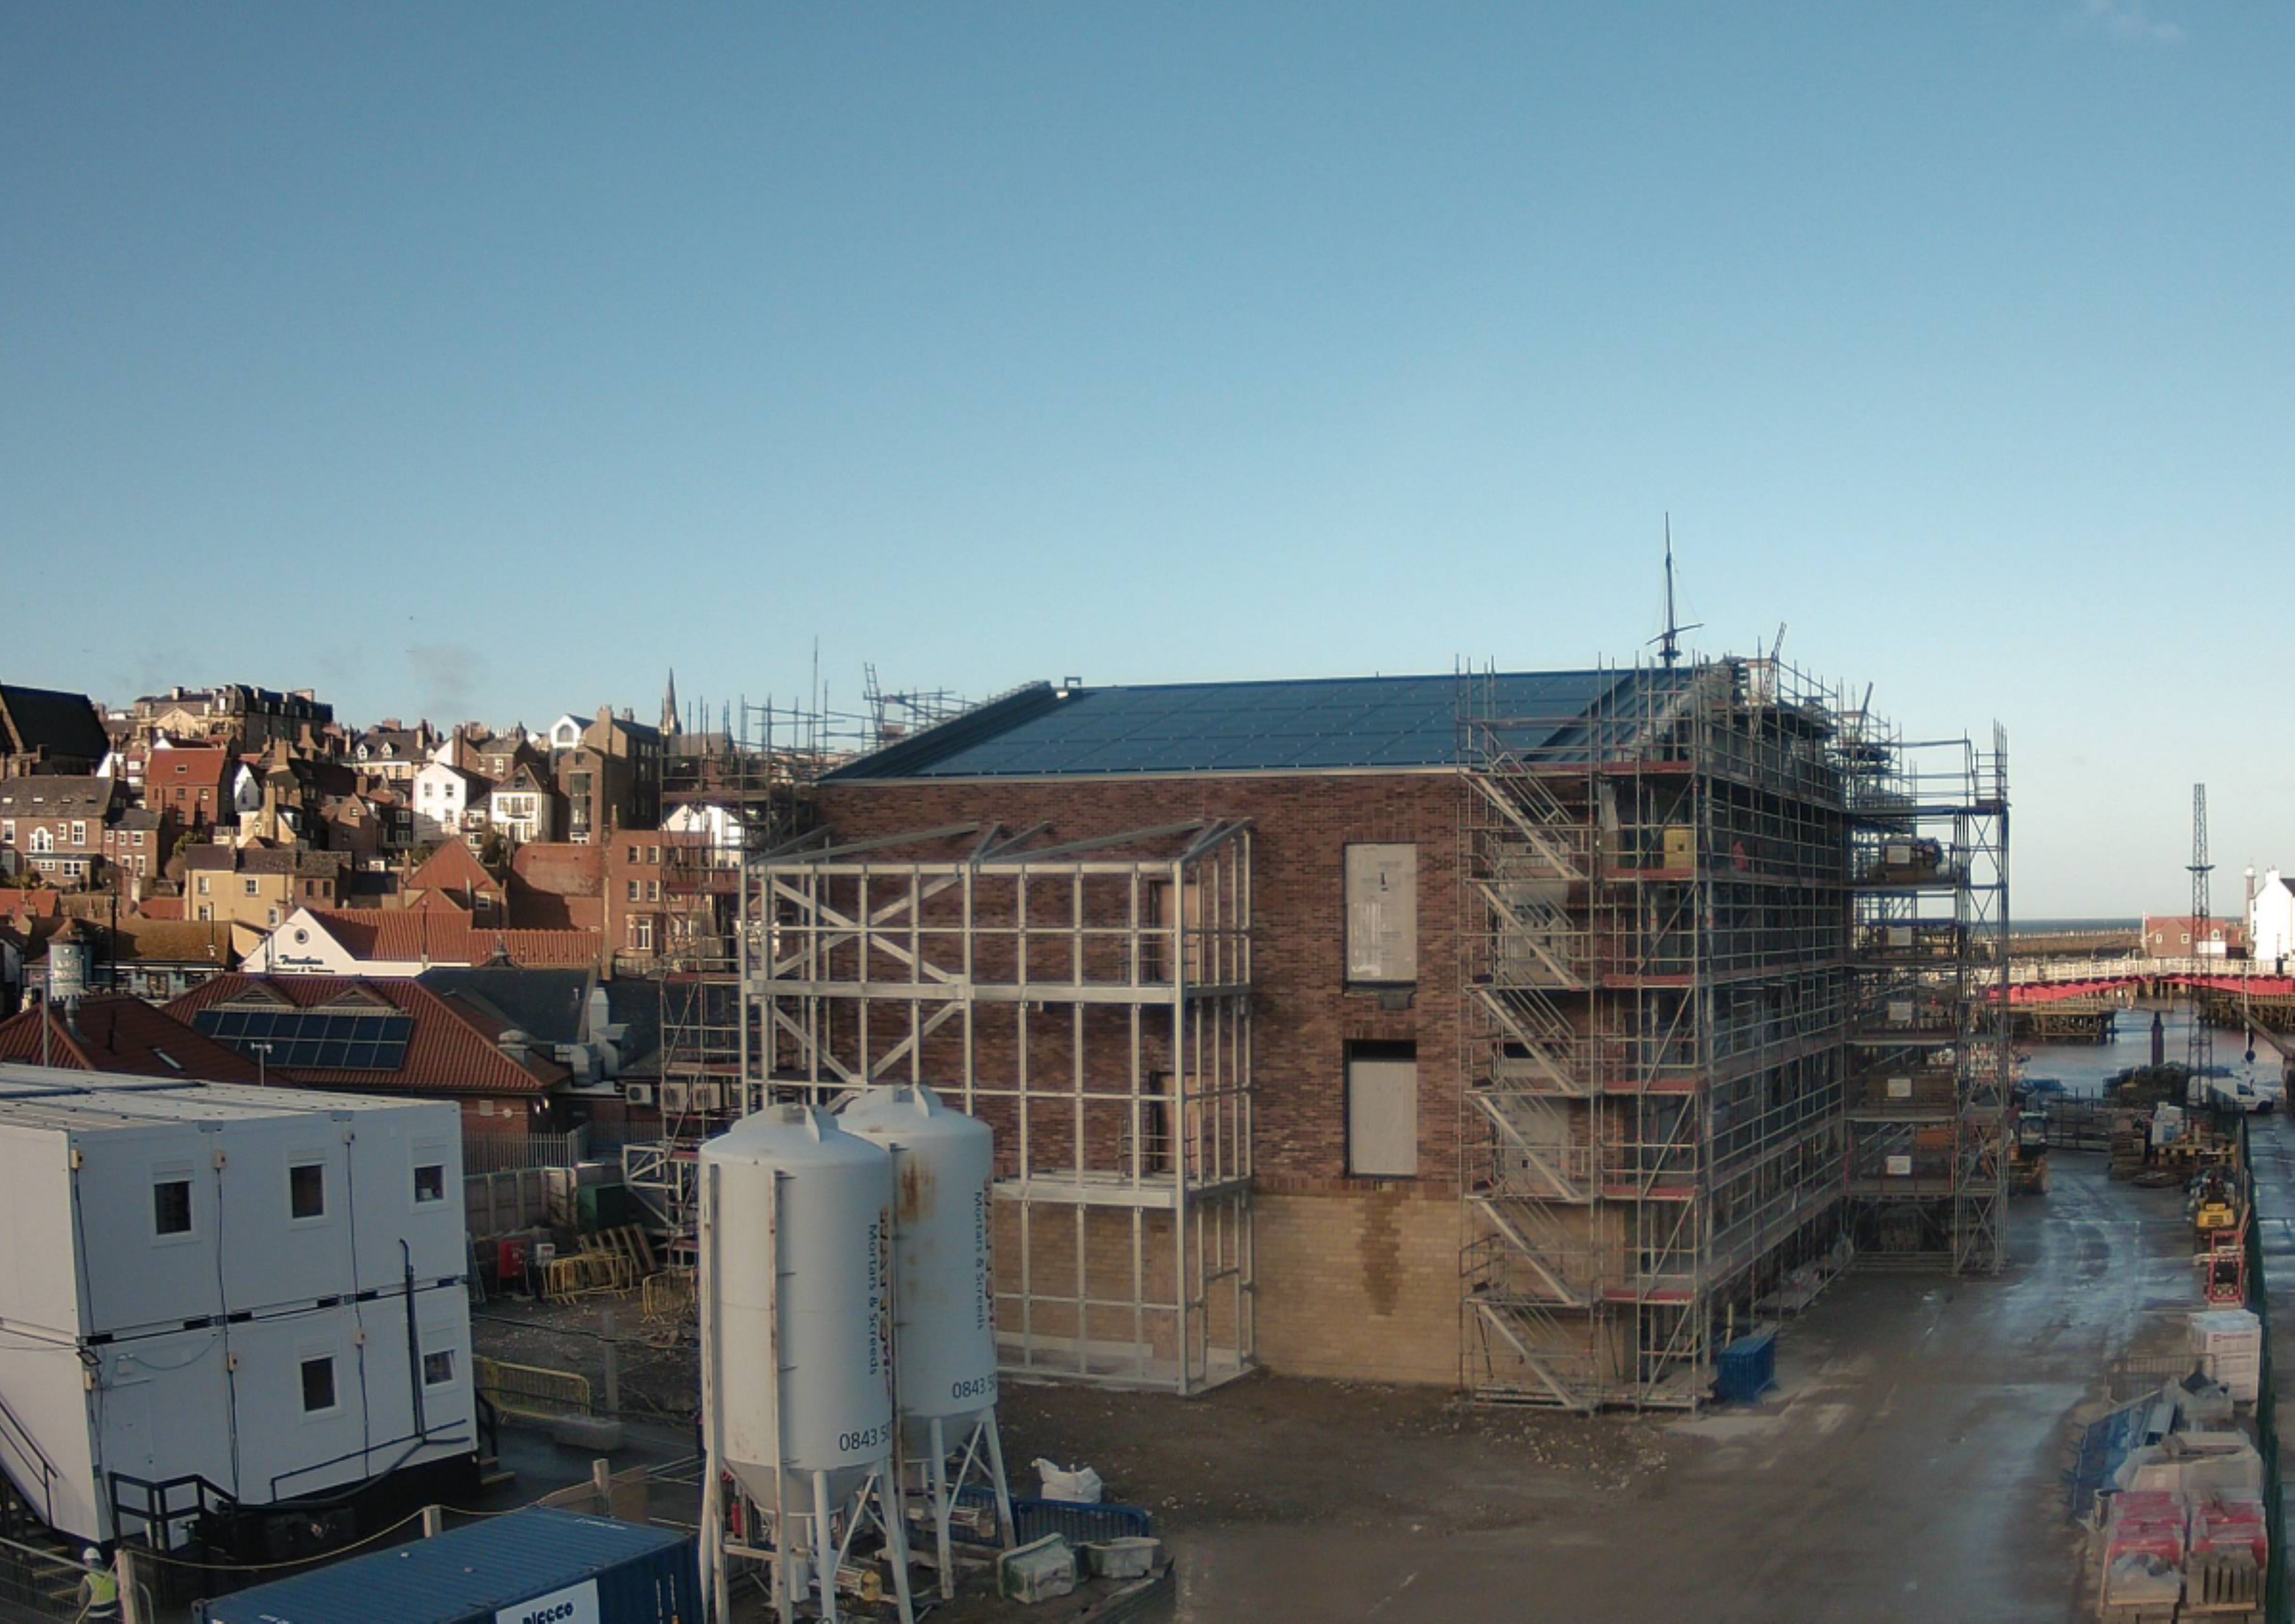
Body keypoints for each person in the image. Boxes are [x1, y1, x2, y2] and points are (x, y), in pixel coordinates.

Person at [75, 1546, 118, 1621]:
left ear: (88, 1561)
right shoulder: (113, 1575)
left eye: (86, 1562)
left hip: (95, 1617)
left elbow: (82, 1601)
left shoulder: (88, 1579)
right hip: (112, 1614)